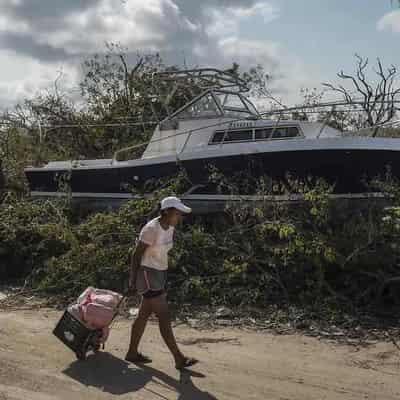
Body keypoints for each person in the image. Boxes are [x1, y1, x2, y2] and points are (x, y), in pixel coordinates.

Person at [125, 196, 198, 370]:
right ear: (166, 212)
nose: (179, 216)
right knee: (164, 316)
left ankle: (132, 353)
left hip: (158, 274)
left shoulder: (169, 227)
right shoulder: (151, 229)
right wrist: (132, 280)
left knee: (143, 315)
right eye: (177, 212)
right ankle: (178, 358)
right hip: (147, 275)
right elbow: (136, 255)